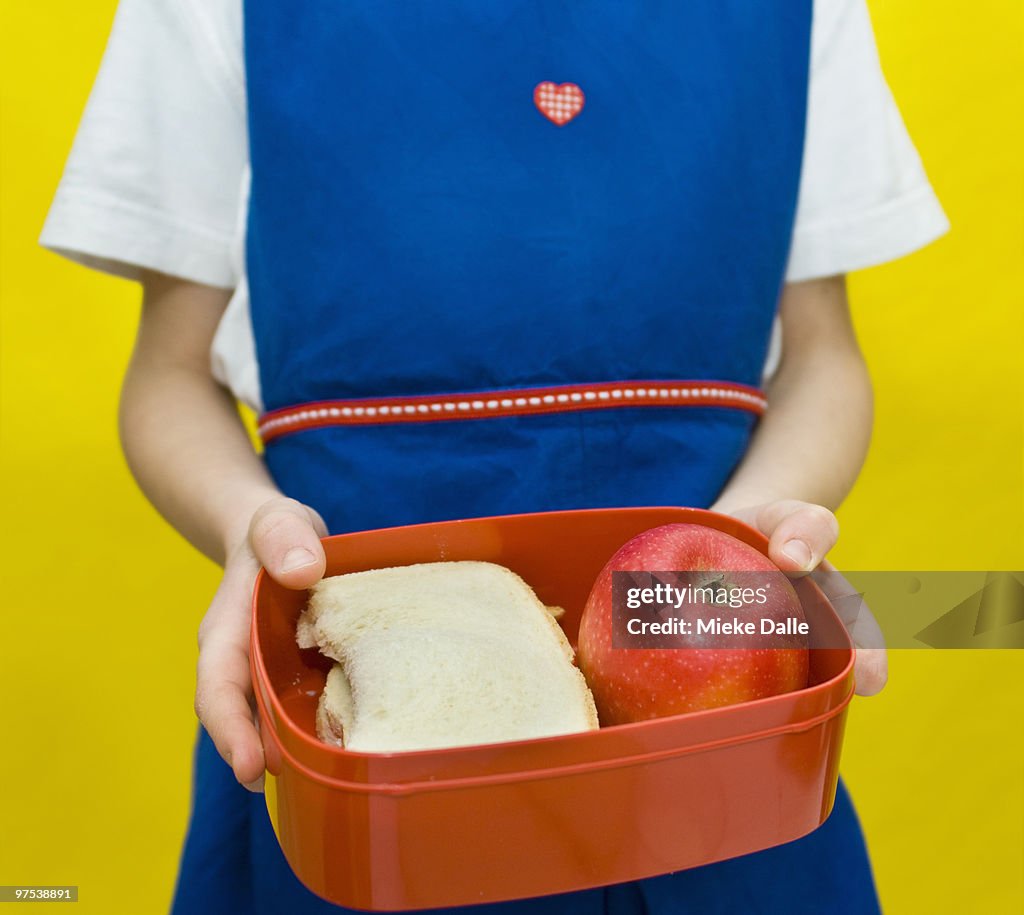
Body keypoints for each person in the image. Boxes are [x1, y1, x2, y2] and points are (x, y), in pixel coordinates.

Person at [41, 0, 948, 912]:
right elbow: (168, 372)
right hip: (359, 774)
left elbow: (824, 355)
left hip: (727, 754)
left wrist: (749, 540)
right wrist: (251, 527)